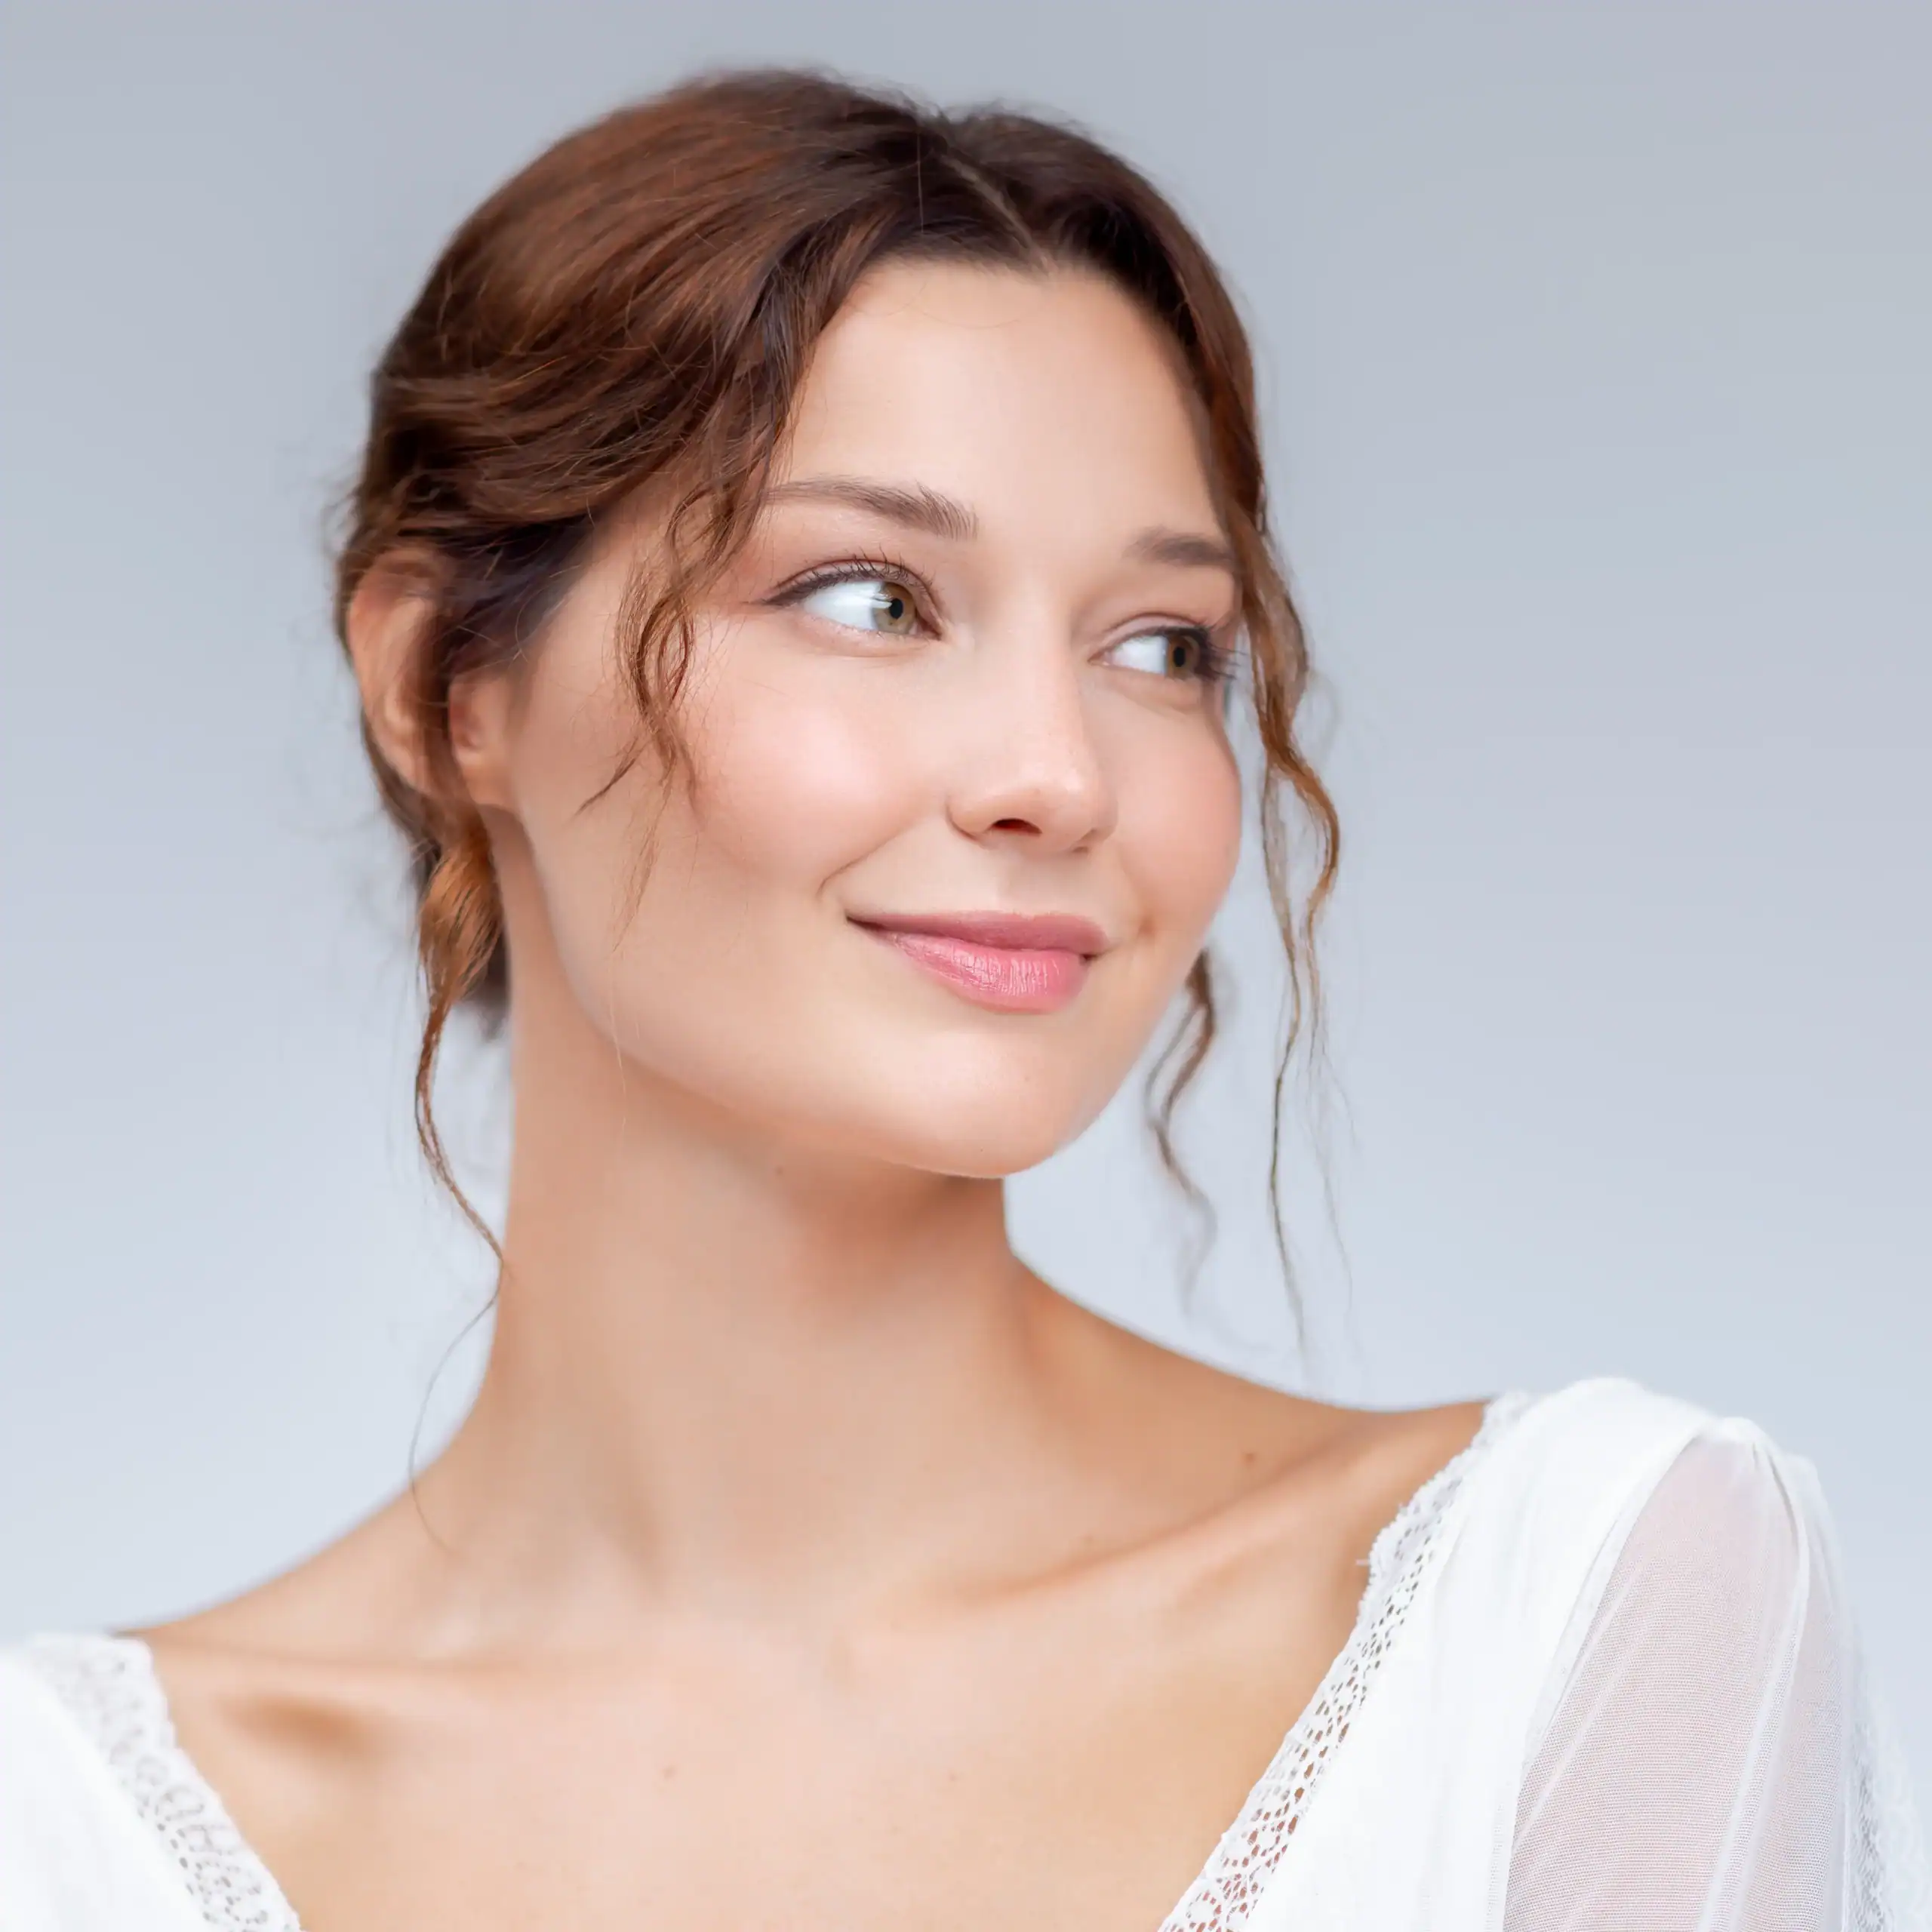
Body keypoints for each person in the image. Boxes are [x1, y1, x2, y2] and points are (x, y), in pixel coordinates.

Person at [1, 66, 1922, 1932]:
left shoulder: (1572, 1614)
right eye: (870, 597)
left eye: (1160, 644)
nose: (1058, 773)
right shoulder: (57, 1836)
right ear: (445, 688)